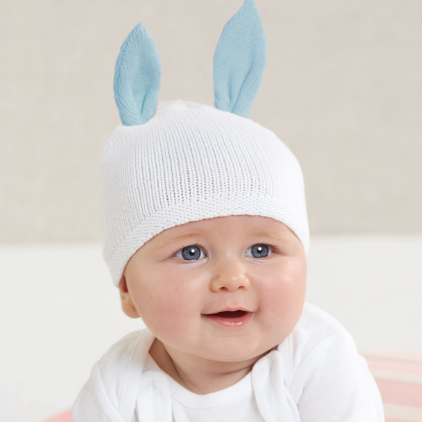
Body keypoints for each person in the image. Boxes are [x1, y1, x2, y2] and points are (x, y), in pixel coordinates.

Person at [72, 1, 385, 420]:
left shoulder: (318, 358)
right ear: (128, 290)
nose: (231, 279)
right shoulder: (118, 386)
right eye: (191, 252)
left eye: (260, 250)